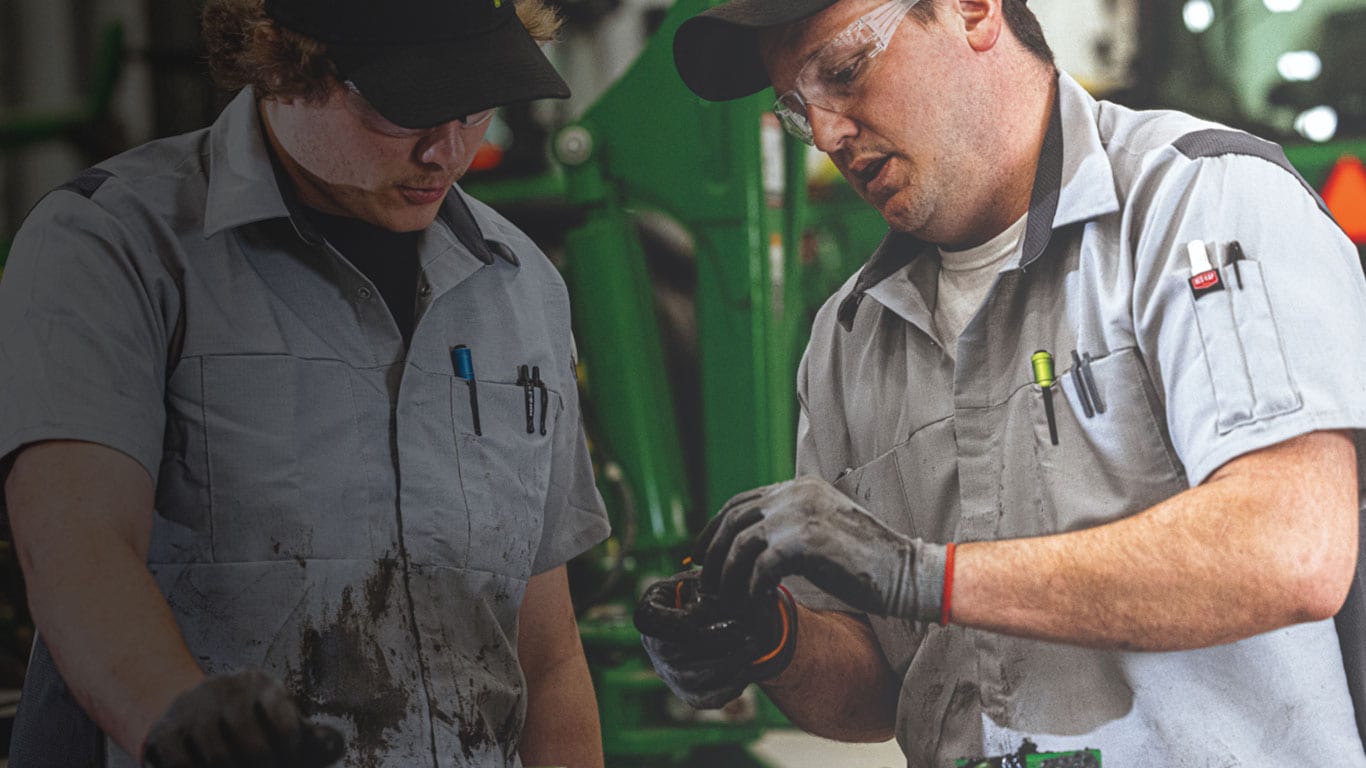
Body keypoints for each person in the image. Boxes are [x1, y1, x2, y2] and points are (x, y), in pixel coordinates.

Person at [635, 0, 1366, 764]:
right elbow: (878, 693)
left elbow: (1289, 551)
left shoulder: (1199, 205)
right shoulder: (848, 339)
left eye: (845, 72)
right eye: (796, 109)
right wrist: (773, 640)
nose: (825, 133)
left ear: (972, 10)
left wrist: (921, 575)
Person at [0, 0, 610, 765]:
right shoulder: (115, 246)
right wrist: (177, 714)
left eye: (475, 107)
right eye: (408, 110)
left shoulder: (519, 287)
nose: (446, 152)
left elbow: (547, 657)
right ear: (282, 64)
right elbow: (74, 547)